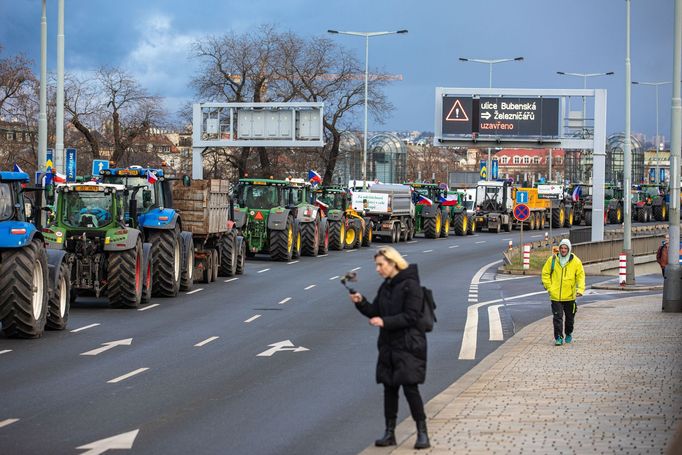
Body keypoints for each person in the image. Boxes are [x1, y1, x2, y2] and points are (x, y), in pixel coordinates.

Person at [349, 246, 430, 450]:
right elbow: (375, 311)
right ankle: (389, 433)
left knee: (410, 388)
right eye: (377, 265)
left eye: (380, 265)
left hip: (409, 345)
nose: (377, 269)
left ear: (393, 263)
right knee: (389, 389)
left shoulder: (411, 285)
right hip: (388, 345)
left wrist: (385, 322)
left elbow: (412, 316)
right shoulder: (386, 286)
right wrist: (361, 302)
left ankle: (422, 433)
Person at [541, 239, 585, 346]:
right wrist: (549, 288)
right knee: (557, 318)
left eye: (565, 248)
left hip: (570, 296)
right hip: (556, 296)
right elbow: (545, 274)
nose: (563, 250)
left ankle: (568, 333)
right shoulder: (552, 260)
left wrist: (580, 290)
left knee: (570, 319)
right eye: (561, 248)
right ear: (559, 249)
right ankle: (559, 337)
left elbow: (580, 276)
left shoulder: (576, 261)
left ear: (569, 249)